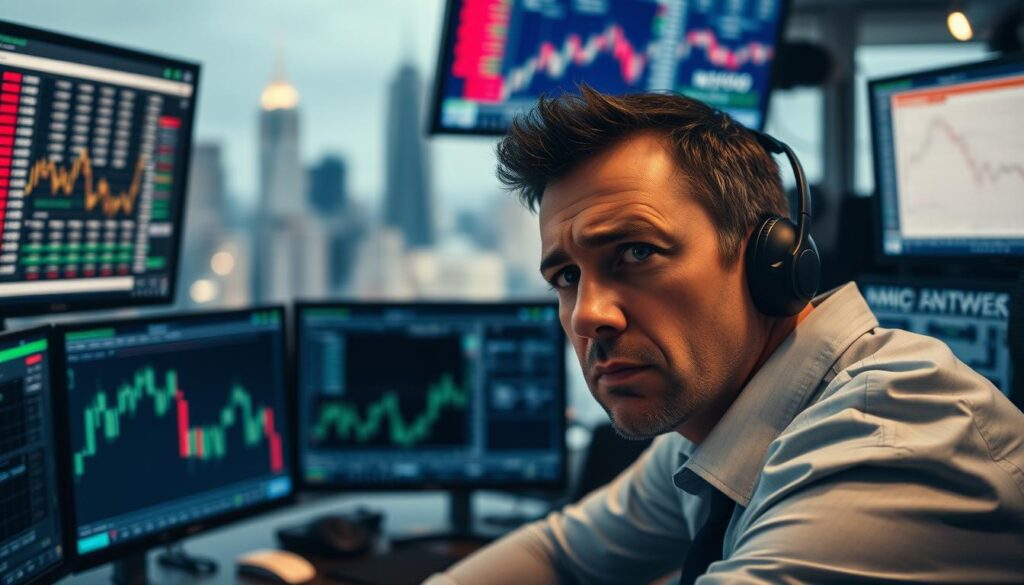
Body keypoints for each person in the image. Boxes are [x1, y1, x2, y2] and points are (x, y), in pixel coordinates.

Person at [424, 86, 1024, 584]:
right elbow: (559, 554)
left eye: (637, 252)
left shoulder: (885, 445)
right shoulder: (718, 429)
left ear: (771, 259)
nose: (587, 315)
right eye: (565, 276)